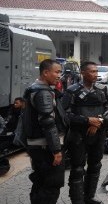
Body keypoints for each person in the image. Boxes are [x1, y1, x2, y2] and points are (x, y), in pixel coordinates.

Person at [62, 61, 108, 204]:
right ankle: (77, 200)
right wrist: (87, 121)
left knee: (95, 165)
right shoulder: (72, 91)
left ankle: (89, 197)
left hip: (98, 133)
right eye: (92, 71)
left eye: (97, 72)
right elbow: (64, 115)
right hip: (78, 135)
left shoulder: (102, 90)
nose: (96, 74)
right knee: (78, 168)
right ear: (83, 73)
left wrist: (99, 121)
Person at [23, 59, 68, 204]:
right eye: (57, 72)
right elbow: (48, 123)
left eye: (60, 72)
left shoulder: (35, 88)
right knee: (51, 185)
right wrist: (56, 150)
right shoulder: (43, 93)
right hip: (45, 147)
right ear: (45, 72)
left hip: (38, 146)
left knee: (40, 182)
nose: (59, 75)